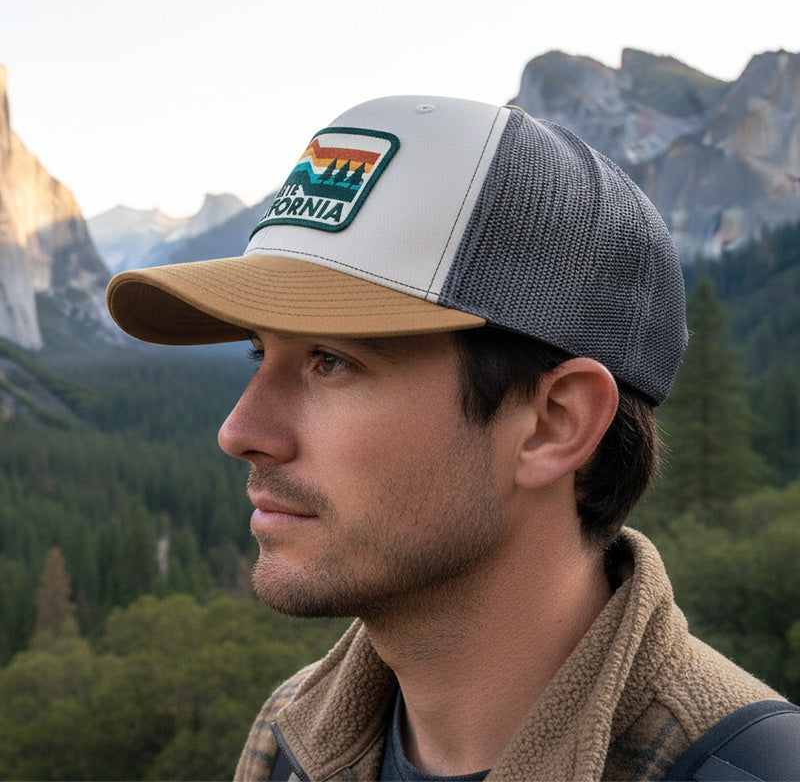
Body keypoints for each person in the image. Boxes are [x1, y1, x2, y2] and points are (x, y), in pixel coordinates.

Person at [106, 96, 785, 781]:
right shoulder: (290, 738)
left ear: (555, 424)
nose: (238, 432)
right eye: (260, 354)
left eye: (331, 362)